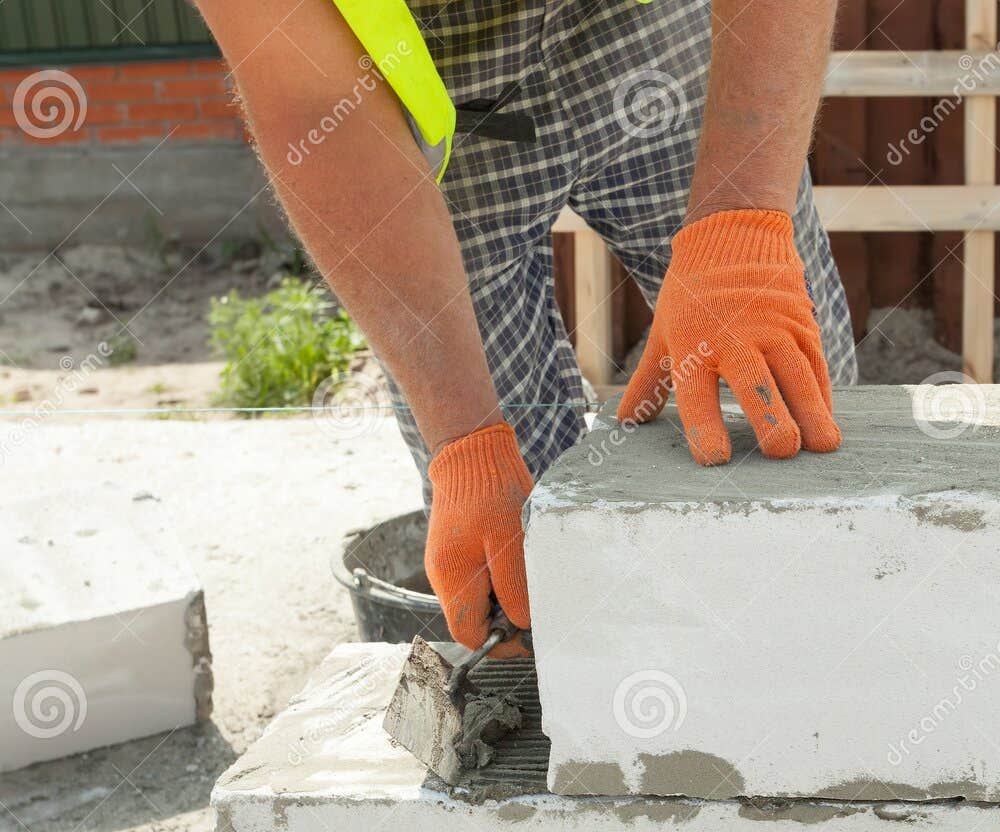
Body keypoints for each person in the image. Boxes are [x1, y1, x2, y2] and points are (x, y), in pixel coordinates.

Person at [193, 0, 856, 656]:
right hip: (428, 69)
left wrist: (740, 222)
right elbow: (314, 101)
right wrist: (464, 439)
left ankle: (807, 665)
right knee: (516, 574)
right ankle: (589, 728)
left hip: (648, 21)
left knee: (797, 436)